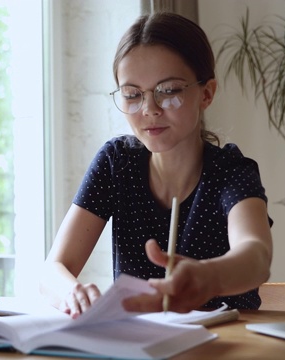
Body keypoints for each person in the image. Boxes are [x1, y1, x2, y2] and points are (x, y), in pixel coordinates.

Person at [39, 12, 273, 318]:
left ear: (206, 93)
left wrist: (208, 277)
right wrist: (73, 293)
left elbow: (256, 256)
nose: (149, 109)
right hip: (141, 345)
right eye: (132, 95)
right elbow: (53, 271)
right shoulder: (117, 161)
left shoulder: (230, 170)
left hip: (225, 344)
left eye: (169, 91)